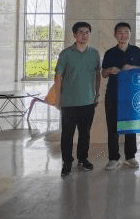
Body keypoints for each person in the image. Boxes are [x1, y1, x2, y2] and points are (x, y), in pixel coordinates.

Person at [56, 22, 101, 178]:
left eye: (87, 32)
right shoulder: (66, 54)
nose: (84, 35)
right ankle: (67, 162)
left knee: (85, 134)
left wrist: (96, 94)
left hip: (88, 101)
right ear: (75, 35)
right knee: (67, 134)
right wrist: (57, 98)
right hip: (68, 102)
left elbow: (97, 75)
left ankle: (83, 159)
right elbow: (58, 76)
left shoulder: (94, 54)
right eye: (81, 32)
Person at [102, 22, 140, 171]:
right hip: (113, 94)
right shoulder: (110, 53)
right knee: (112, 126)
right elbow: (103, 74)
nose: (123, 35)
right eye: (120, 33)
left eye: (126, 32)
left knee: (130, 126)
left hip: (132, 94)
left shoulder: (136, 51)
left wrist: (132, 67)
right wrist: (109, 70)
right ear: (115, 35)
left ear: (130, 34)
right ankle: (113, 158)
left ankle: (130, 157)